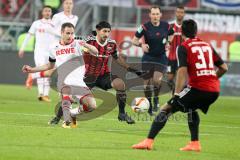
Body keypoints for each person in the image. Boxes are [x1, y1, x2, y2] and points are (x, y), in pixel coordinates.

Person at [131, 19, 228, 151]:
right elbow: (224, 68)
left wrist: (176, 94)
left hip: (198, 88)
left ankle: (148, 142)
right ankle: (195, 143)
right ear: (196, 31)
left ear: (181, 33)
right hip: (214, 90)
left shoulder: (183, 47)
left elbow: (182, 71)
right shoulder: (207, 45)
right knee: (191, 108)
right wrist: (211, 79)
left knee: (166, 108)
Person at [49, 21, 144, 125]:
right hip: (88, 76)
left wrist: (132, 69)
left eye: (108, 31)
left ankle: (122, 114)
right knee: (71, 98)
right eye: (104, 31)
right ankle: (58, 117)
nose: (106, 34)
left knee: (120, 84)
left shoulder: (111, 44)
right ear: (98, 31)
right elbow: (76, 46)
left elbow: (117, 58)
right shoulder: (89, 41)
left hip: (103, 75)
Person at [22, 23, 99, 128]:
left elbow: (95, 52)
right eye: (67, 33)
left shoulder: (77, 44)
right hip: (64, 81)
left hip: (79, 82)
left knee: (92, 106)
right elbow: (50, 65)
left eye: (72, 33)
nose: (70, 36)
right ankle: (66, 120)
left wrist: (85, 44)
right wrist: (32, 69)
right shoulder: (53, 47)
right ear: (61, 33)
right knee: (67, 96)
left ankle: (72, 114)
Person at [25, 0, 79, 89]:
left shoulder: (75, 18)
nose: (68, 5)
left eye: (70, 4)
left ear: (73, 5)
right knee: (57, 70)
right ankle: (65, 94)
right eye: (66, 3)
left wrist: (74, 39)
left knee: (59, 70)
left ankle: (33, 76)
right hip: (57, 46)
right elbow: (50, 29)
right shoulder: (57, 16)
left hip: (68, 46)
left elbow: (71, 32)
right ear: (63, 5)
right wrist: (62, 34)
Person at [132, 5, 174, 115]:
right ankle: (149, 104)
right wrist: (141, 45)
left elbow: (172, 34)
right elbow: (134, 40)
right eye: (153, 14)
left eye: (157, 14)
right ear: (150, 15)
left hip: (161, 58)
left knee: (156, 81)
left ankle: (156, 100)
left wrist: (169, 43)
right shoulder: (144, 27)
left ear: (160, 15)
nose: (155, 16)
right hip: (148, 58)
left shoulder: (166, 26)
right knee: (146, 85)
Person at [18, 5, 54, 102]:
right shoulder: (36, 23)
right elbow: (28, 36)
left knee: (48, 72)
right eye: (45, 11)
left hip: (51, 52)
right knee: (41, 70)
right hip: (39, 51)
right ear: (42, 13)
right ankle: (41, 94)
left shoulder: (54, 24)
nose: (47, 12)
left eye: (49, 11)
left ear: (51, 13)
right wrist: (22, 48)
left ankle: (45, 93)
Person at [167, 6, 185, 93]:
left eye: (182, 12)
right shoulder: (170, 26)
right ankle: (175, 95)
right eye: (178, 12)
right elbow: (165, 39)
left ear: (184, 14)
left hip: (181, 58)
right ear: (175, 13)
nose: (180, 14)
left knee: (179, 78)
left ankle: (176, 97)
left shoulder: (186, 26)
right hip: (171, 57)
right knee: (169, 79)